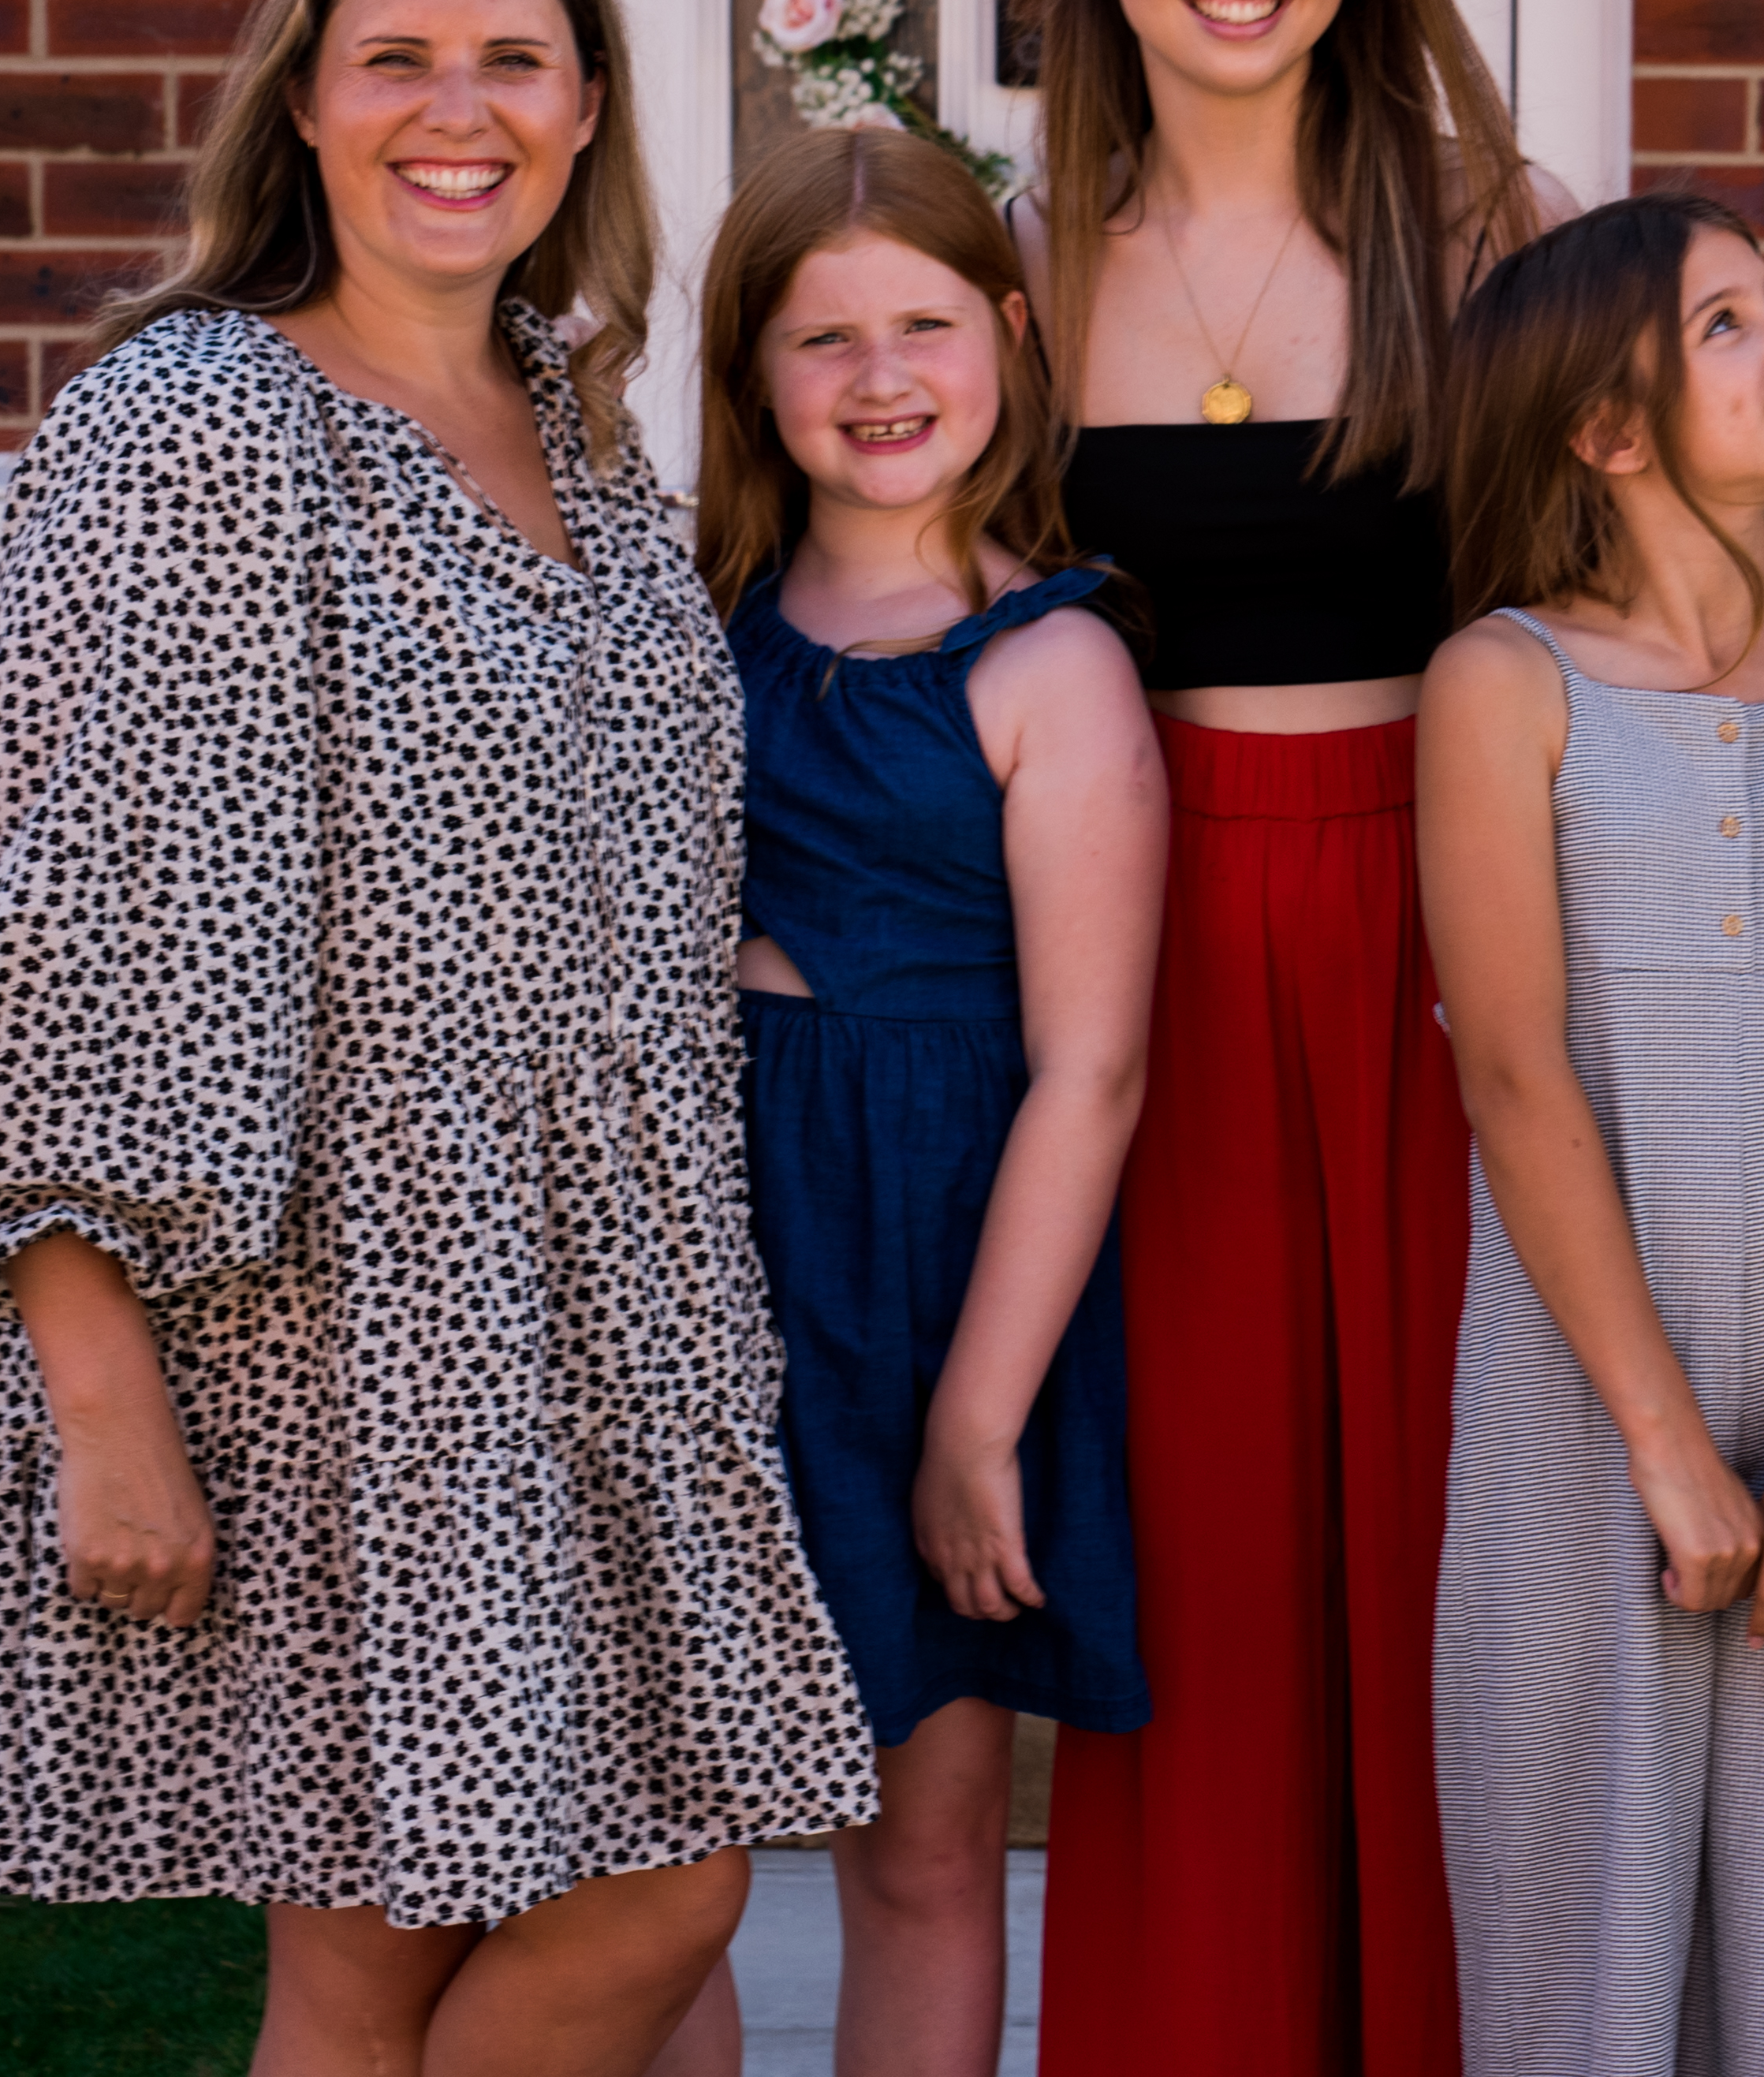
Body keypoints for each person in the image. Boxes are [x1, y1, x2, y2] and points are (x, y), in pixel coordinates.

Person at [0, 0, 876, 2077]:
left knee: (616, 1873)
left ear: (587, 107)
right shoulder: (203, 424)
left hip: (606, 1294)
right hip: (332, 1299)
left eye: (511, 59)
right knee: (484, 1921)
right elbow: (62, 923)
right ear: (302, 105)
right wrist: (101, 1400)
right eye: (395, 58)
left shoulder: (587, 443)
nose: (458, 108)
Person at [1027, 0, 1564, 2075]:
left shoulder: (1483, 225)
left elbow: (1610, 603)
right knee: (1212, 1545)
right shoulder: (1022, 263)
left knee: (1449, 1547)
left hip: (1449, 930)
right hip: (1136, 953)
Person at [1415, 197, 1764, 2077]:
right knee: (1577, 1945)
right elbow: (1514, 1071)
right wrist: (1663, 1440)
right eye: (1727, 320)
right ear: (1607, 426)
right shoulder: (1502, 686)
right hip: (1585, 1413)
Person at [665, 125, 1161, 2077]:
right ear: (751, 377)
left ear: (1013, 335)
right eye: (821, 337)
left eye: (926, 325)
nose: (881, 379)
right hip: (694, 1242)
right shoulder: (688, 629)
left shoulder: (1052, 665)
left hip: (931, 1256)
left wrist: (979, 1415)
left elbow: (1093, 1066)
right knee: (658, 1828)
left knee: (923, 1830)